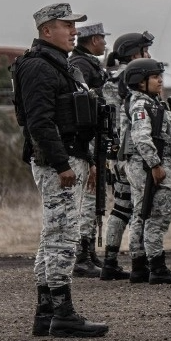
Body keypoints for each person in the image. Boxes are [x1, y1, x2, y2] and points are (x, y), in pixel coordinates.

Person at [15, 3, 108, 338]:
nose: (74, 32)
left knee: (52, 235)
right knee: (63, 237)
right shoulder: (38, 67)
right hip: (59, 163)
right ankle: (63, 313)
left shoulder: (61, 66)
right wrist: (61, 164)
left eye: (74, 25)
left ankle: (46, 312)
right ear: (46, 30)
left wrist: (89, 160)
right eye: (67, 25)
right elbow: (39, 122)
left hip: (71, 158)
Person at [120, 58, 171, 284]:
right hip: (147, 165)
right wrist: (156, 165)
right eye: (155, 77)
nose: (160, 80)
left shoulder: (153, 102)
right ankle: (157, 266)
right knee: (157, 213)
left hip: (149, 163)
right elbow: (141, 137)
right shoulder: (141, 105)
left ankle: (139, 265)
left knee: (142, 212)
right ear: (140, 82)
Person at [99, 31, 155, 281]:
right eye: (145, 50)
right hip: (133, 153)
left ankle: (110, 261)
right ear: (135, 53)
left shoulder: (110, 78)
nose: (149, 54)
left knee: (120, 206)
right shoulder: (130, 80)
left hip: (116, 153)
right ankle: (139, 261)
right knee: (140, 206)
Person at [68, 22, 111, 278]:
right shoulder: (82, 65)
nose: (105, 43)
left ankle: (89, 252)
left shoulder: (88, 62)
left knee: (95, 197)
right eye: (102, 39)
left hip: (95, 138)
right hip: (89, 140)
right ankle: (82, 255)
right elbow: (88, 98)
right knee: (89, 196)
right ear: (93, 39)